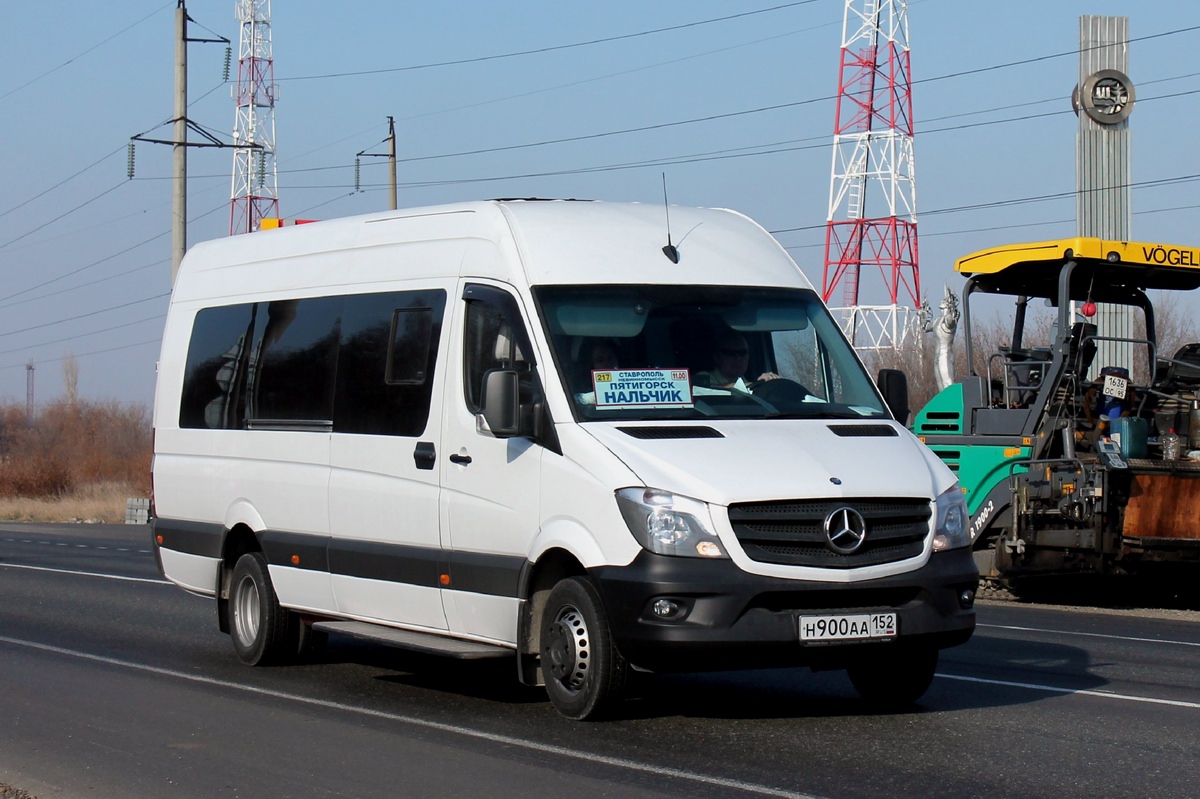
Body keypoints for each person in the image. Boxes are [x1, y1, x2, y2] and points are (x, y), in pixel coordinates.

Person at [694, 330, 778, 389]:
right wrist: (749, 386)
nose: (737, 358)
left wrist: (767, 383)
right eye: (730, 353)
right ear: (717, 357)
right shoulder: (703, 378)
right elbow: (705, 390)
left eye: (742, 353)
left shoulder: (751, 384)